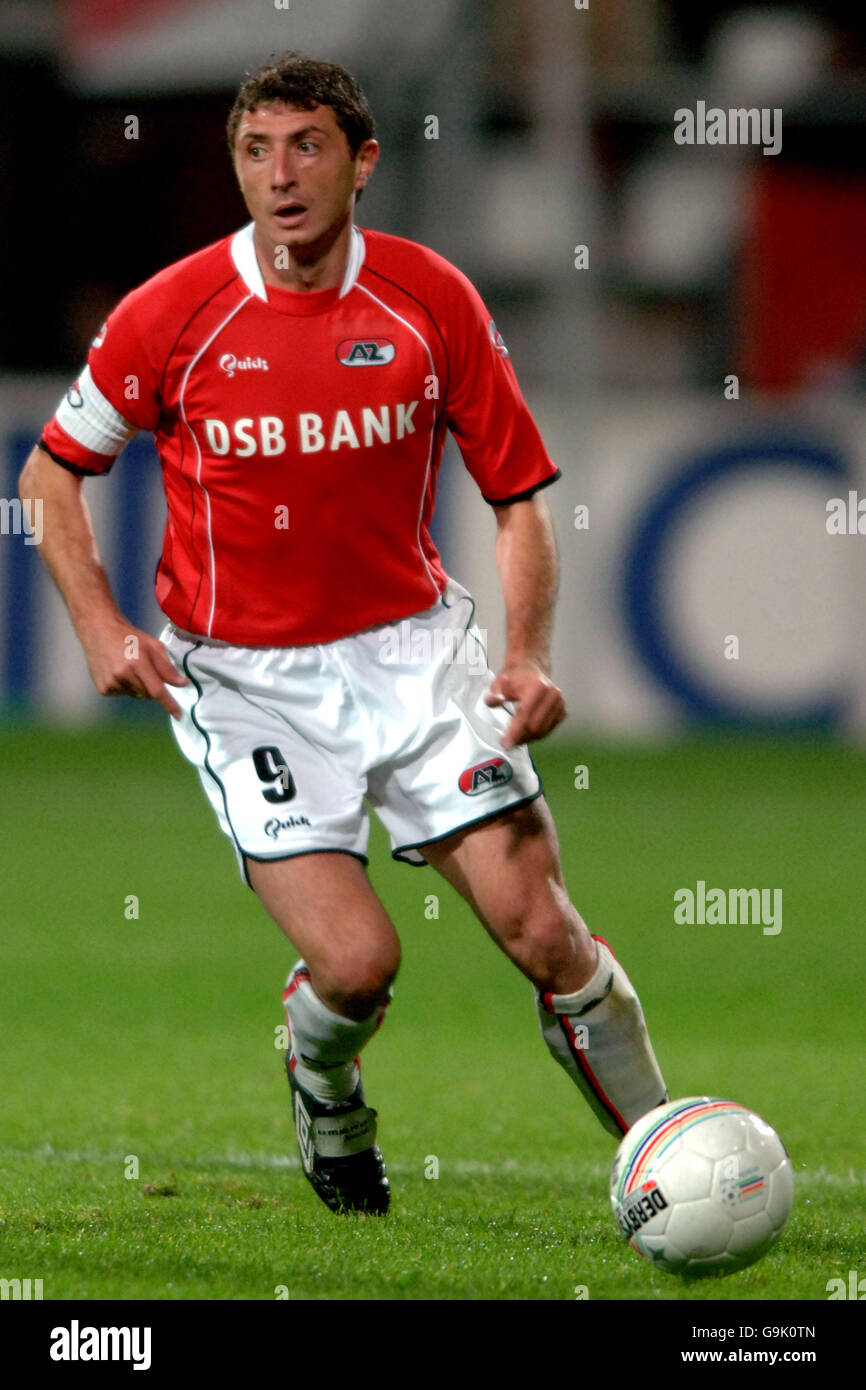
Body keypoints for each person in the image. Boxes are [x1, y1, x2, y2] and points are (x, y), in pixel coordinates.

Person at [19, 52, 666, 1215]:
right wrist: (100, 623)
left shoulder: (430, 299)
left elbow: (515, 496)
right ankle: (322, 1080)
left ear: (361, 162)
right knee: (360, 964)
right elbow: (52, 477)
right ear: (235, 166)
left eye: (306, 145)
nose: (280, 174)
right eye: (256, 150)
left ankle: (667, 1155)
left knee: (543, 930)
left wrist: (525, 653)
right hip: (247, 682)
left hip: (416, 660)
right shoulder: (170, 313)